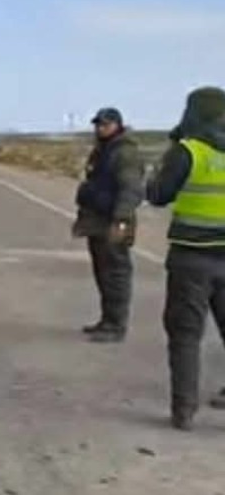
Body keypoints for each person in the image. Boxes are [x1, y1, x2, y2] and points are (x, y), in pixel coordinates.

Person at [145, 86, 225, 430]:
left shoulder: (187, 151)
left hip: (192, 257)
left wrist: (154, 176)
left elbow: (160, 195)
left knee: (186, 334)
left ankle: (184, 410)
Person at [71, 107, 144, 343]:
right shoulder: (104, 149)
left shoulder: (125, 153)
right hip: (98, 219)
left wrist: (121, 220)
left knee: (115, 274)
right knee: (103, 272)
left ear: (117, 125)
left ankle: (116, 325)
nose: (100, 128)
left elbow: (131, 188)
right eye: (98, 124)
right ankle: (107, 320)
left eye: (105, 124)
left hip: (113, 220)